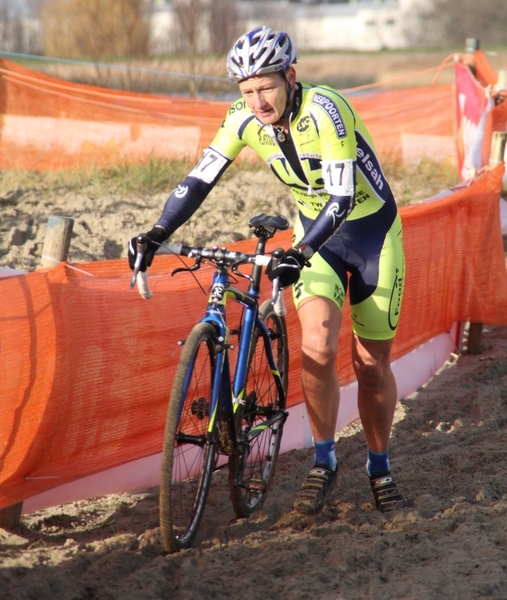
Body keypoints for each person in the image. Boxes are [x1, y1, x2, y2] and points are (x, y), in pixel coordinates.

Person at [128, 26, 406, 515]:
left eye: (266, 88)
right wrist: (155, 233)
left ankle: (379, 465)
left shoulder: (327, 109)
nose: (257, 100)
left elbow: (340, 200)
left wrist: (299, 252)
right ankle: (324, 462)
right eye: (247, 90)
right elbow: (199, 179)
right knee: (317, 349)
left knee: (371, 366)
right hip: (315, 238)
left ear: (290, 77)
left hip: (370, 235)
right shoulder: (241, 119)